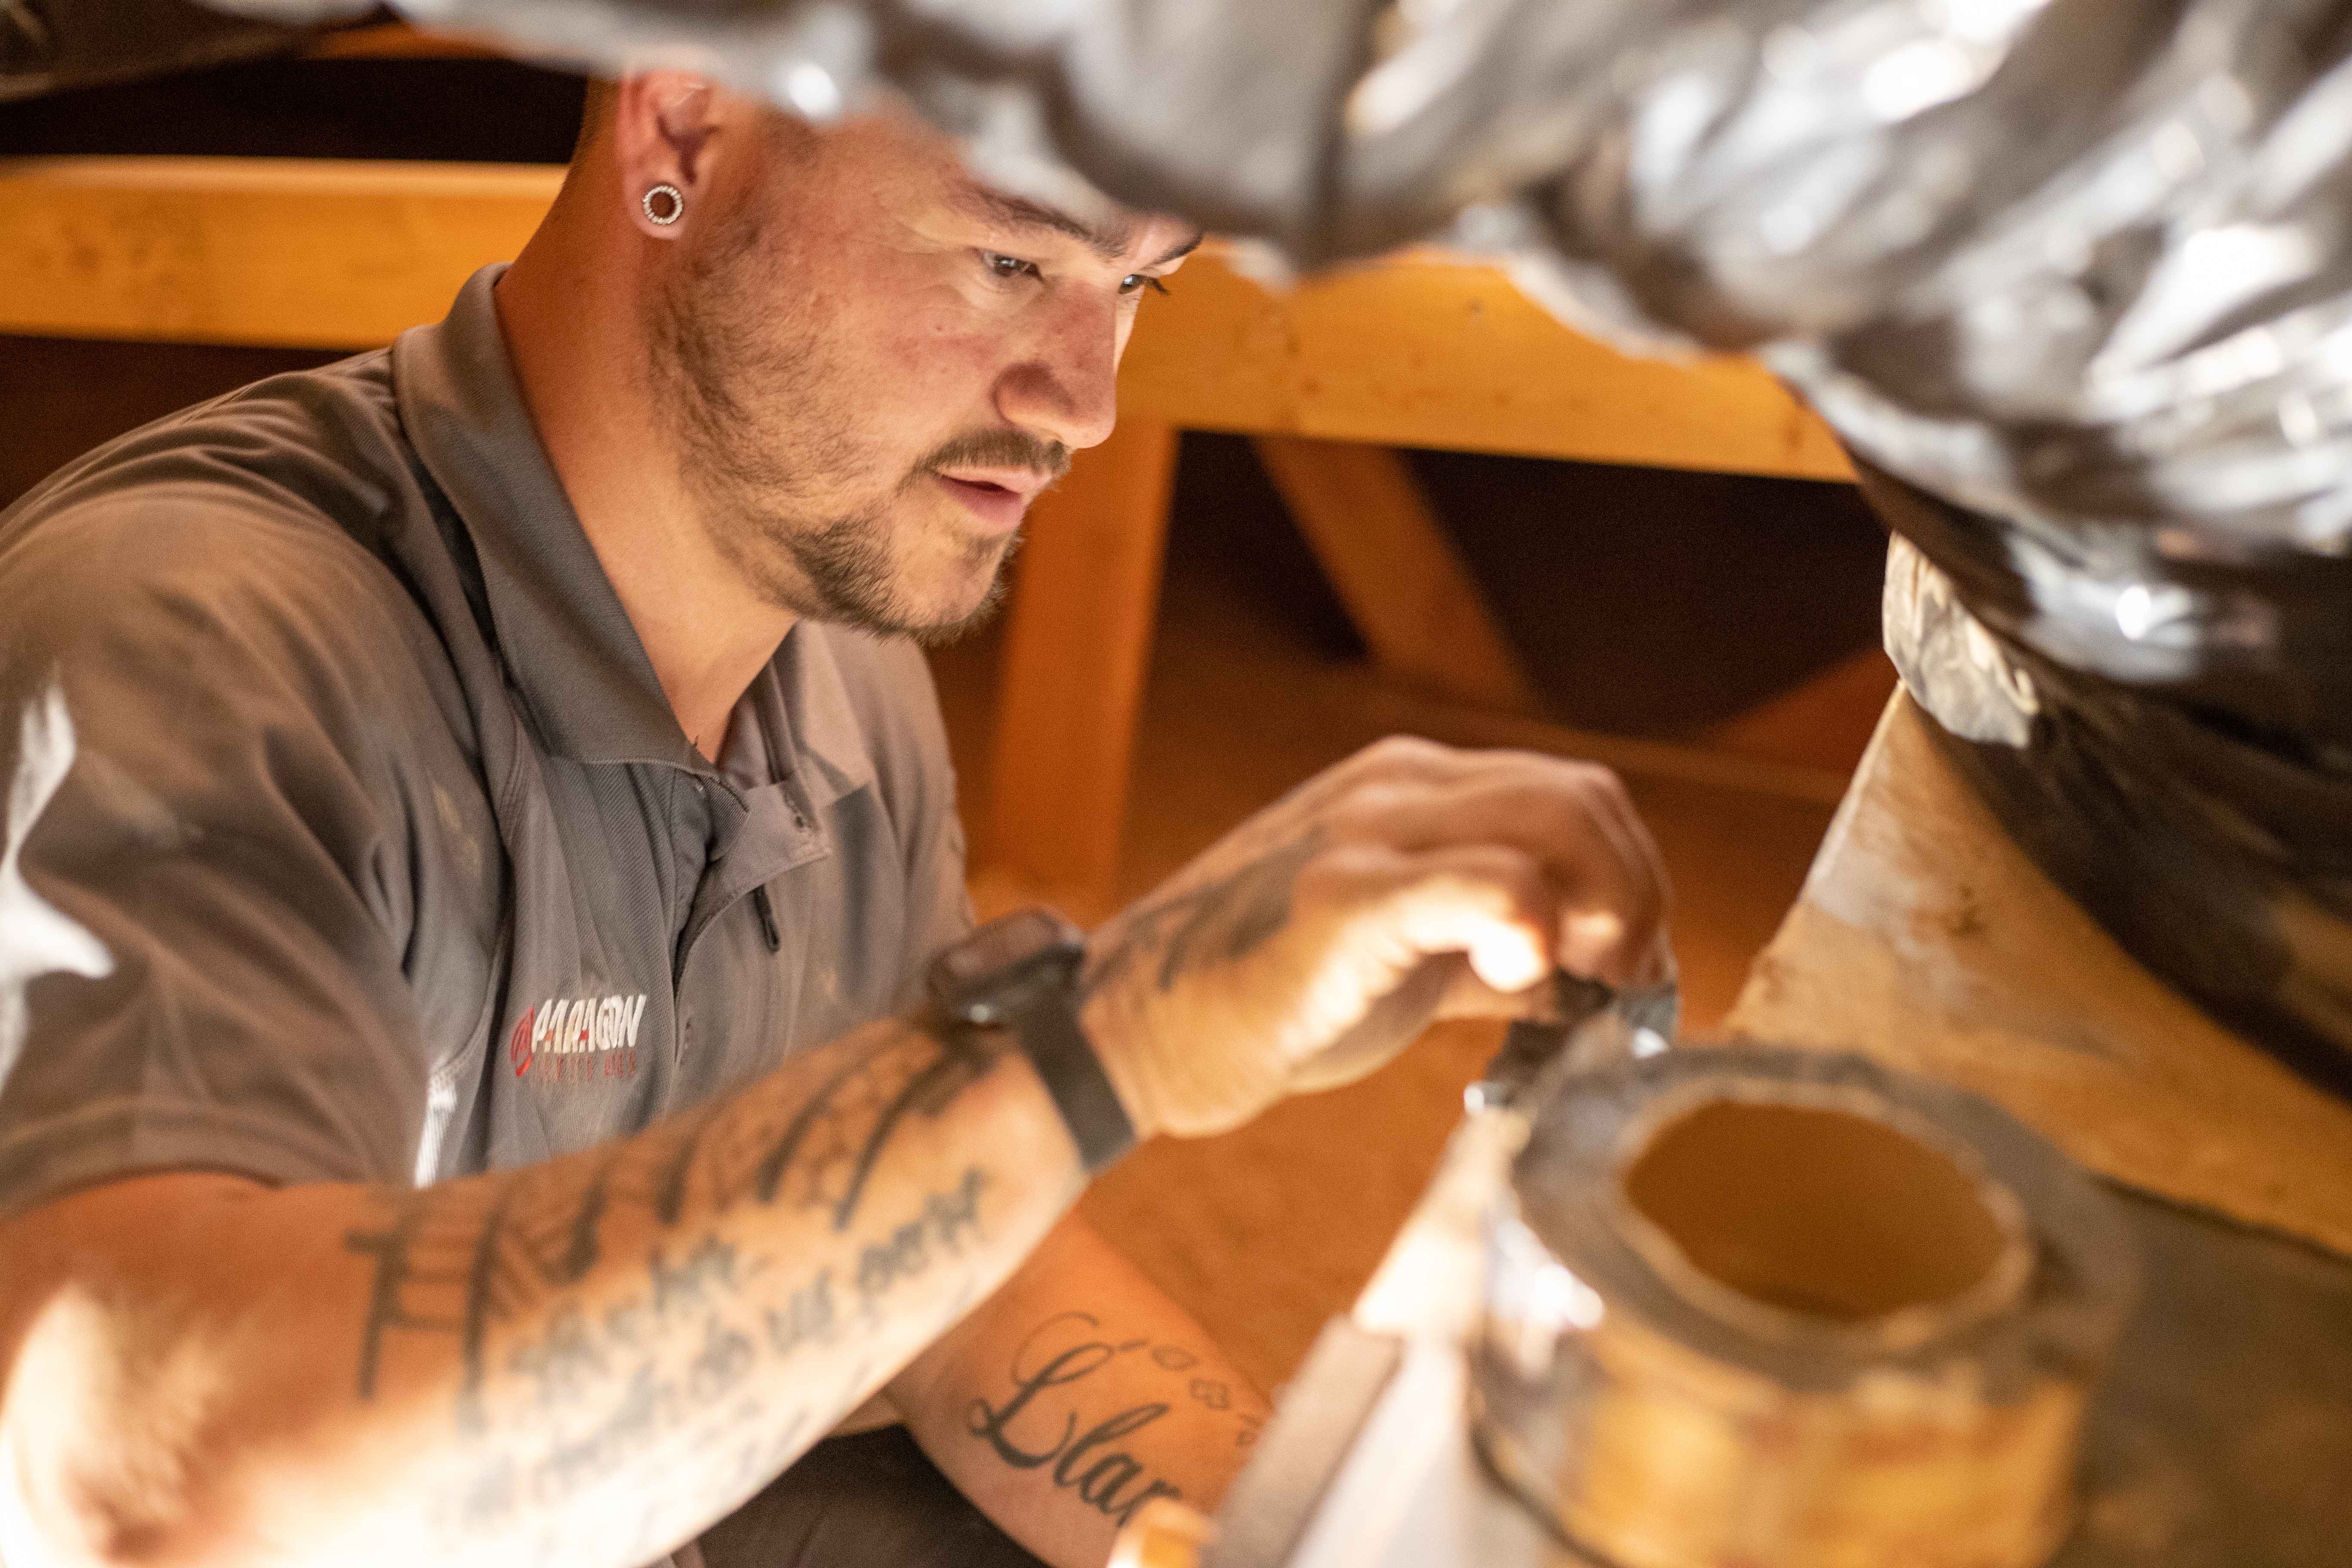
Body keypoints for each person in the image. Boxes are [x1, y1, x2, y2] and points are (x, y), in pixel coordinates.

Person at [0, 71, 1670, 1568]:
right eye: (1014, 260)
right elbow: (144, 1478)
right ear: (687, 131)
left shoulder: (837, 649)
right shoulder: (197, 646)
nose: (1088, 399)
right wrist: (1105, 1042)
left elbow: (924, 1269)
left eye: (1138, 286)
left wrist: (1311, 1541)